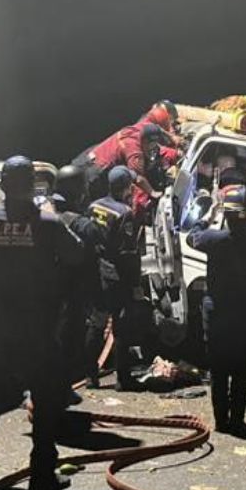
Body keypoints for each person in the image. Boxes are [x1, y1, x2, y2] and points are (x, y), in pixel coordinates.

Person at [0, 156, 84, 490]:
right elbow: (77, 254)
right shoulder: (49, 223)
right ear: (33, 186)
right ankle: (43, 474)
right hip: (37, 328)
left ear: (2, 185)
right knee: (45, 398)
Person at [186, 184, 246, 436]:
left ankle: (221, 421)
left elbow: (192, 235)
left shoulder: (215, 239)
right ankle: (237, 419)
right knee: (242, 369)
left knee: (219, 369)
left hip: (218, 311)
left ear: (227, 214)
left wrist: (209, 216)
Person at [85, 166, 146, 390]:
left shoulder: (93, 206)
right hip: (116, 276)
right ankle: (123, 379)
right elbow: (126, 252)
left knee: (96, 323)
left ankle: (91, 376)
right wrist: (135, 284)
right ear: (126, 187)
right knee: (122, 326)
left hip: (96, 271)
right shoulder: (124, 213)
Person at [53, 165, 102, 392]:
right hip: (71, 287)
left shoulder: (46, 213)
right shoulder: (73, 220)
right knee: (69, 337)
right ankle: (61, 387)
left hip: (52, 288)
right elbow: (94, 235)